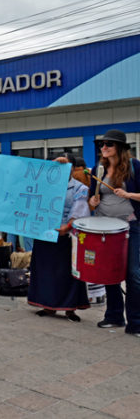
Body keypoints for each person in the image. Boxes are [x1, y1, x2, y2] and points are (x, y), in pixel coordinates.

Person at [88, 129, 140, 336]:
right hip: (104, 228)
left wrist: (128, 194)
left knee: (133, 274)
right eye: (102, 144)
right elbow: (92, 199)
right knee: (109, 272)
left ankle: (136, 322)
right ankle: (114, 316)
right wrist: (92, 201)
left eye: (109, 144)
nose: (104, 147)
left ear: (119, 147)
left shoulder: (134, 166)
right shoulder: (98, 169)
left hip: (130, 226)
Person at [28, 155, 90, 321]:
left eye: (66, 166)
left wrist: (68, 226)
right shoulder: (44, 184)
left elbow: (79, 209)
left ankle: (70, 308)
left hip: (67, 235)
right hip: (44, 233)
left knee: (68, 273)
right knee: (45, 271)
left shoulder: (80, 188)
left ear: (73, 169)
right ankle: (47, 306)